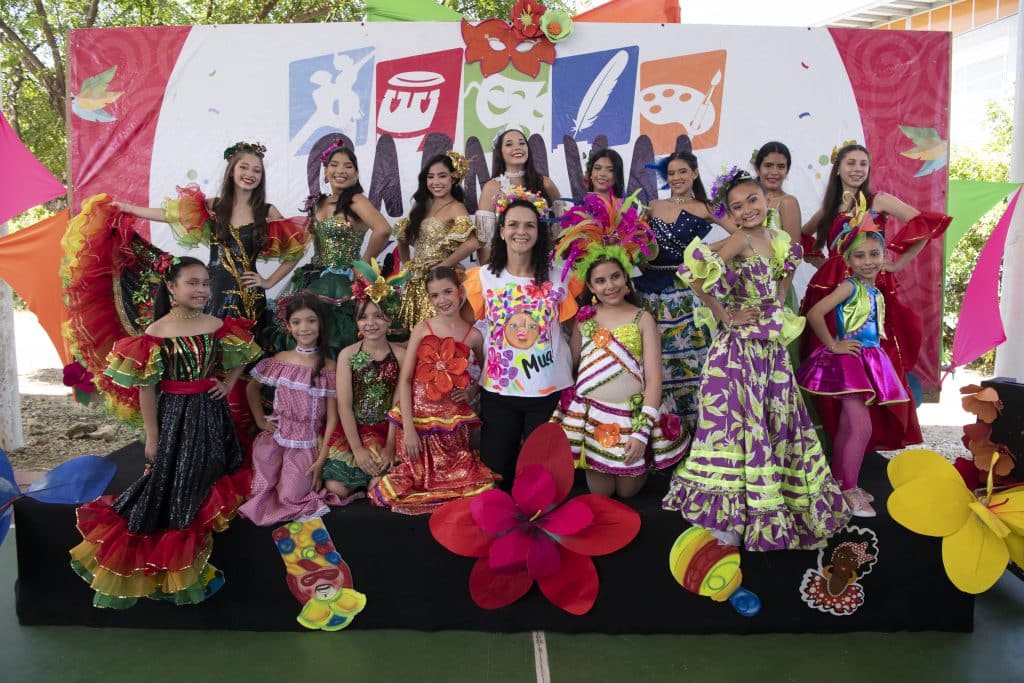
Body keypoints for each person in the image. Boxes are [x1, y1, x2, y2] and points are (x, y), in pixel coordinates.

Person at [662, 168, 849, 551]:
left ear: (767, 200)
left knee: (772, 421)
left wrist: (776, 303)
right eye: (737, 206)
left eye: (752, 200)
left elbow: (782, 281)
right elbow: (693, 272)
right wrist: (726, 314)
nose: (747, 209)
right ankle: (729, 520)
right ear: (730, 214)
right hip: (737, 352)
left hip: (771, 351)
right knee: (736, 425)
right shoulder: (740, 239)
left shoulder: (779, 239)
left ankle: (770, 507)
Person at [70, 257, 260, 608]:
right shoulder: (156, 333)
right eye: (192, 282)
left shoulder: (216, 324)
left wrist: (226, 382)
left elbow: (242, 355)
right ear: (172, 287)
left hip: (211, 413)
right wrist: (153, 435)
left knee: (213, 468)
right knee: (180, 480)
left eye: (205, 283)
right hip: (175, 415)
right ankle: (176, 562)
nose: (201, 289)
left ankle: (204, 547)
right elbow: (146, 390)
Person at [800, 143, 951, 451]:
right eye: (851, 163)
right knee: (831, 360)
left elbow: (922, 224)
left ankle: (868, 441)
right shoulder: (829, 209)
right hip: (831, 291)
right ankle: (835, 440)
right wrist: (826, 264)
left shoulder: (877, 200)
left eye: (863, 164)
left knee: (873, 359)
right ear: (838, 169)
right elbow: (802, 238)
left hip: (869, 290)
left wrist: (898, 263)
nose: (857, 169)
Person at [115, 142, 307, 342]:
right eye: (244, 167)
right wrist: (128, 208)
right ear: (231, 171)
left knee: (246, 347)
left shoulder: (267, 212)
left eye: (256, 170)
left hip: (249, 295)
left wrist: (268, 282)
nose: (250, 174)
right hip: (211, 289)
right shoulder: (214, 206)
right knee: (206, 343)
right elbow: (169, 215)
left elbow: (296, 250)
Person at [550, 248, 688, 498]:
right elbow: (570, 365)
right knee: (601, 493)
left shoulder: (642, 318)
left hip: (631, 417)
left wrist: (642, 433)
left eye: (615, 276)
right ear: (591, 287)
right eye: (600, 280)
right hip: (593, 418)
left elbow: (654, 379)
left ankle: (642, 455)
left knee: (627, 492)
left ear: (626, 277)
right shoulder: (584, 319)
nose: (609, 285)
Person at [464, 191, 578, 486]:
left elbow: (578, 327)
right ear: (501, 231)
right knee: (497, 474)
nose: (521, 231)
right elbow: (465, 330)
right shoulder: (483, 278)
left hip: (549, 390)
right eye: (513, 224)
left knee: (545, 479)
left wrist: (574, 368)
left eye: (529, 225)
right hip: (499, 392)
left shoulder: (560, 277)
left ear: (539, 232)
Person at [797, 223, 910, 517]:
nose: (868, 261)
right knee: (862, 427)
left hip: (868, 357)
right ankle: (848, 489)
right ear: (847, 260)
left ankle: (840, 481)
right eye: (859, 256)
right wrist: (833, 345)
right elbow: (815, 313)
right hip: (850, 359)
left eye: (874, 254)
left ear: (884, 256)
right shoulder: (850, 286)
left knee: (849, 425)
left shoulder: (874, 290)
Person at [369, 267, 498, 513]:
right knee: (413, 480)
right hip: (416, 423)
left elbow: (488, 373)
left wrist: (471, 393)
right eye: (435, 295)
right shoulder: (422, 329)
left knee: (475, 484)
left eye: (447, 292)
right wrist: (408, 430)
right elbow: (405, 380)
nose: (442, 300)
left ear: (460, 292)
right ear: (429, 299)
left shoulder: (474, 335)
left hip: (451, 424)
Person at [636, 151, 732, 433]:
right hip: (648, 294)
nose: (676, 178)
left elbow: (743, 233)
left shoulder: (708, 207)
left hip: (685, 295)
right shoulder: (653, 205)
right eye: (671, 173)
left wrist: (706, 251)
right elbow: (635, 239)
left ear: (695, 173)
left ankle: (698, 430)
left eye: (682, 172)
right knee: (655, 360)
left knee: (689, 359)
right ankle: (662, 432)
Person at [238, 293, 352, 526]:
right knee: (260, 488)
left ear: (320, 323)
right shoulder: (281, 359)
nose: (304, 328)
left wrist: (321, 459)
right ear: (288, 327)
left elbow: (333, 418)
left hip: (306, 444)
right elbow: (252, 388)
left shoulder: (329, 367)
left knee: (290, 496)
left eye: (311, 320)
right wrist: (260, 420)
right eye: (297, 322)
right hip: (276, 439)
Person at [276, 142, 392, 350]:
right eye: (334, 165)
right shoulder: (319, 203)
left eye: (348, 166)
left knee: (335, 338)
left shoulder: (356, 200)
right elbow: (301, 245)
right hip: (314, 276)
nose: (341, 170)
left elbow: (383, 230)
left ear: (356, 173)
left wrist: (363, 264)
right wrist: (268, 281)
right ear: (325, 170)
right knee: (307, 336)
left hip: (344, 281)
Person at [323, 260, 408, 497]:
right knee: (336, 488)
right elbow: (344, 406)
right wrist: (358, 450)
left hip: (387, 430)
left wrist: (390, 446)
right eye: (363, 318)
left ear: (389, 318)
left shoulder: (400, 355)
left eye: (378, 316)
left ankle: (370, 481)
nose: (370, 323)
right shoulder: (347, 355)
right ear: (356, 321)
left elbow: (399, 405)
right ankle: (358, 479)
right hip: (354, 430)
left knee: (380, 488)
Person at [394, 151, 480, 329]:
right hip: (416, 281)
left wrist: (441, 266)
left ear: (453, 178)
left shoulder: (456, 207)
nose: (435, 182)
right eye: (430, 177)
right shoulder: (420, 204)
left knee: (440, 329)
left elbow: (473, 242)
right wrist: (408, 266)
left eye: (442, 176)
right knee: (416, 329)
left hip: (442, 281)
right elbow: (402, 237)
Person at [475, 129, 561, 262]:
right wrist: (488, 270)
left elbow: (562, 227)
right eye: (509, 144)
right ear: (500, 152)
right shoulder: (491, 188)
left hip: (543, 262)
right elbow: (484, 239)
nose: (517, 148)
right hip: (504, 265)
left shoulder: (546, 184)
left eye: (521, 143)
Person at [753, 141, 802, 244]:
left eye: (781, 166)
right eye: (768, 165)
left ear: (787, 171)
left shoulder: (788, 202)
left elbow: (794, 250)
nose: (774, 172)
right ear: (757, 169)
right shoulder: (749, 201)